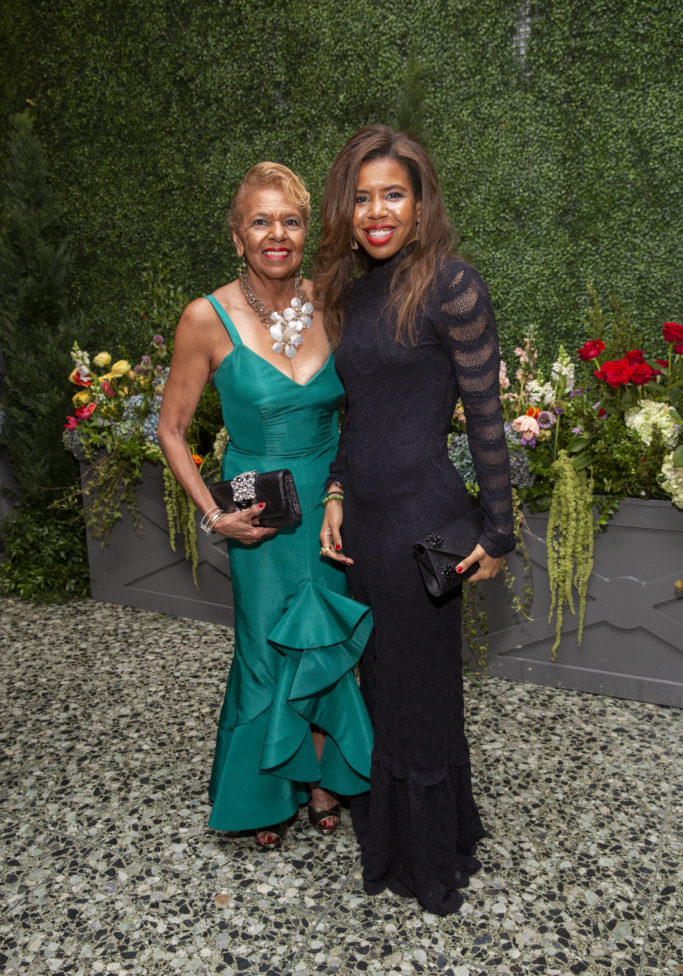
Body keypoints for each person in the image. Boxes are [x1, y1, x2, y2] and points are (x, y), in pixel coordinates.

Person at [315, 126, 515, 914]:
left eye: (392, 194)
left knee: (420, 694)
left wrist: (494, 533)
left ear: (420, 199)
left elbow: (486, 417)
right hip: (362, 528)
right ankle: (406, 834)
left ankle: (429, 860)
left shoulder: (453, 286)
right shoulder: (350, 291)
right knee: (381, 692)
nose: (376, 211)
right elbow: (355, 416)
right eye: (361, 197)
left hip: (425, 528)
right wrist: (333, 493)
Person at [157, 162, 373, 849]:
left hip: (331, 501)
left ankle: (319, 779)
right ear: (236, 234)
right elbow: (170, 428)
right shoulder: (205, 317)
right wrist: (214, 516)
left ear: (307, 230)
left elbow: (366, 409)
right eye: (260, 220)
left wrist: (345, 490)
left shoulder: (335, 304)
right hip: (260, 514)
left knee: (330, 639)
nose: (275, 234)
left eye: (290, 220)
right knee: (264, 647)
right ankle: (262, 795)